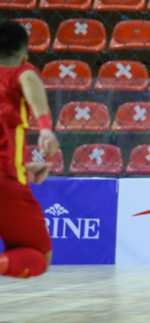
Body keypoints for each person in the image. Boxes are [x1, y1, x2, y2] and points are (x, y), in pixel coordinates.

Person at [0, 20, 60, 278]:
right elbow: (27, 77)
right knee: (39, 254)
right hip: (6, 181)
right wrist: (45, 127)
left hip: (13, 172)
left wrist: (23, 166)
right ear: (24, 56)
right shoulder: (20, 73)